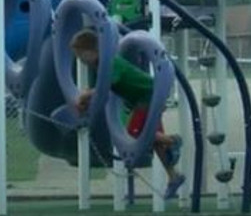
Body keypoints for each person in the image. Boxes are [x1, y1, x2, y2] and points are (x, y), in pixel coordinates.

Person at [69, 29, 186, 200]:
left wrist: (86, 95)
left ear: (91, 51)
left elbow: (106, 86)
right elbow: (100, 91)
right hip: (144, 97)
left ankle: (173, 140)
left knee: (135, 134)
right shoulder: (99, 66)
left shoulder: (109, 63)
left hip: (147, 96)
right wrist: (87, 100)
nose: (80, 60)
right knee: (155, 141)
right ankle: (174, 176)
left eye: (81, 56)